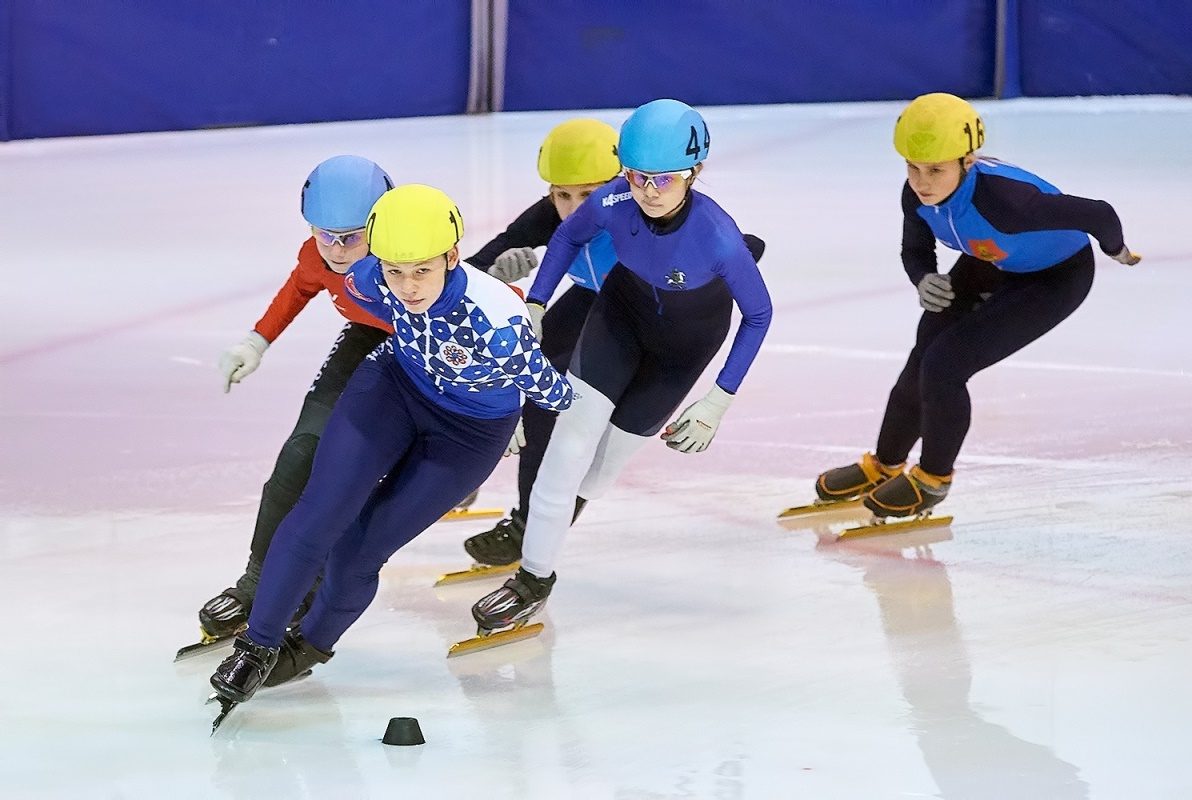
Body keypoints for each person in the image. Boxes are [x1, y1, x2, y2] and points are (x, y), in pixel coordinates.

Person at [208, 184, 573, 707]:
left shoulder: (498, 323)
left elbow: (555, 395)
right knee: (318, 511)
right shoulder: (365, 275)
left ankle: (310, 647)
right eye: (395, 270)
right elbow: (328, 277)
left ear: (452, 257)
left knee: (358, 552)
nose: (406, 286)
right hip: (394, 388)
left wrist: (512, 403)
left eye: (422, 270)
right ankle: (257, 644)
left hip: (468, 433)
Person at [469, 98, 773, 635]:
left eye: (664, 179)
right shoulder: (612, 199)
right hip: (619, 316)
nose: (649, 191)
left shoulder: (718, 237)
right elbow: (566, 235)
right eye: (637, 177)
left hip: (682, 352)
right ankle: (533, 578)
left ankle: (550, 522)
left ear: (694, 173)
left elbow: (759, 315)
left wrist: (718, 401)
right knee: (564, 448)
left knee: (599, 472)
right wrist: (537, 303)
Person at [812, 92, 1140, 521]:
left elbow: (1099, 213)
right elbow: (915, 247)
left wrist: (1117, 250)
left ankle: (932, 480)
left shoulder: (1006, 204)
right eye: (912, 167)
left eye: (935, 170)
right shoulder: (916, 196)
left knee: (946, 365)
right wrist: (923, 278)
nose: (921, 181)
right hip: (990, 261)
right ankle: (884, 465)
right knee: (922, 356)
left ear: (967, 162)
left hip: (1055, 277)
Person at [196, 156, 393, 644]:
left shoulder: (409, 257)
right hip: (365, 340)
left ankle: (320, 574)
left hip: (421, 356)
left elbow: (474, 312)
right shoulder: (316, 254)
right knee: (299, 456)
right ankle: (258, 581)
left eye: (351, 236)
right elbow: (299, 287)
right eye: (324, 233)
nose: (337, 249)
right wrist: (256, 341)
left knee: (357, 473)